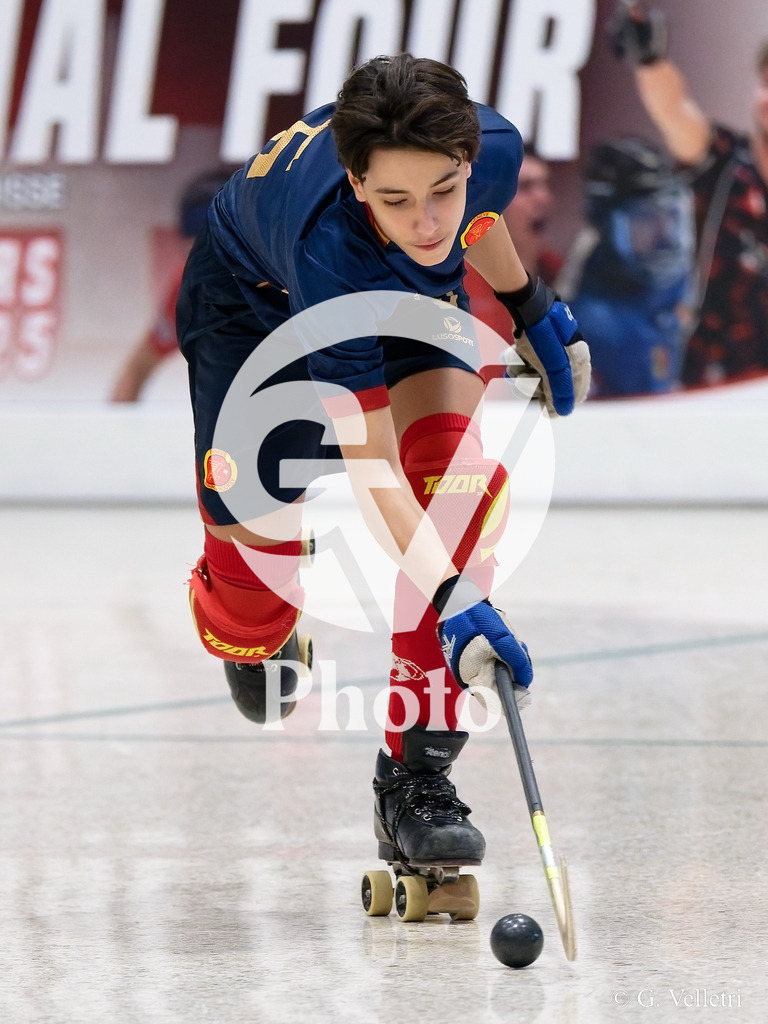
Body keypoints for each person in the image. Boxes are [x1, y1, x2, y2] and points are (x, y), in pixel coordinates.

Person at [176, 55, 590, 891]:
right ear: (358, 186)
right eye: (395, 200)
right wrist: (461, 605)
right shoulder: (331, 250)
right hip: (252, 302)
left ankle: (415, 777)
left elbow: (479, 220)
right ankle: (262, 621)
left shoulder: (491, 153)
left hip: (404, 302)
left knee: (454, 490)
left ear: (470, 161)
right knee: (250, 615)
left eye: (444, 189)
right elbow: (372, 472)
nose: (428, 221)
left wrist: (528, 304)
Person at [607, 3, 768, 387]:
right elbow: (675, 110)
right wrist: (650, 60)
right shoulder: (724, 161)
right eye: (766, 81)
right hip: (711, 381)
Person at [558, 135, 695, 397]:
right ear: (608, 225)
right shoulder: (589, 327)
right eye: (645, 216)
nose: (663, 230)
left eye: (670, 214)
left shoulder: (669, 290)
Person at [110, 169, 232, 402]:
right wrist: (117, 434)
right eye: (197, 255)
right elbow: (135, 372)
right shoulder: (189, 291)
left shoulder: (293, 274)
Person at [463, 145, 563, 369]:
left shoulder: (564, 273)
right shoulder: (457, 287)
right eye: (526, 187)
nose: (543, 198)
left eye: (545, 185)